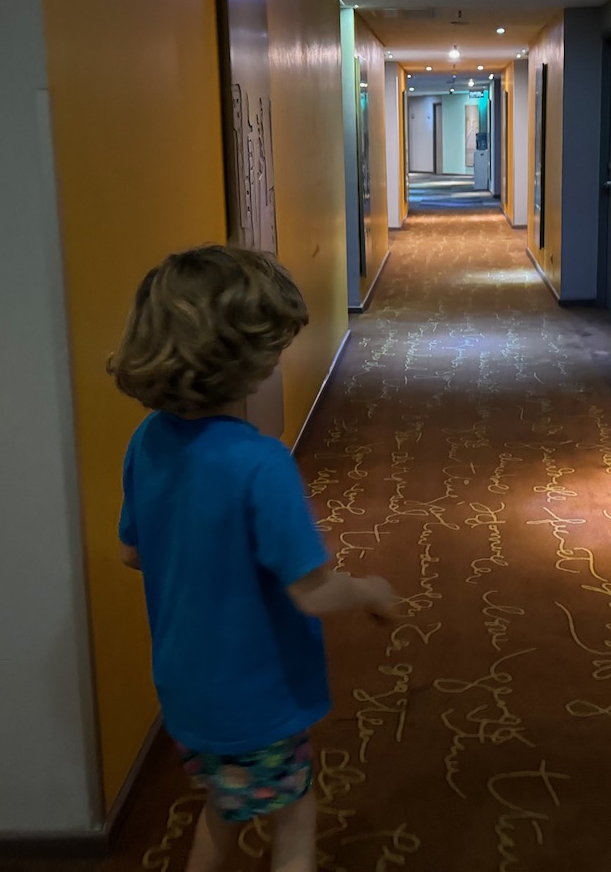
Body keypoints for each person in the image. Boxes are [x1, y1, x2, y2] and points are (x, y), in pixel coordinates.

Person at [110, 245, 396, 872]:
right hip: (255, 693)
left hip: (186, 687)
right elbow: (312, 592)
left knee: (223, 804)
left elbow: (133, 552)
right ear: (242, 362)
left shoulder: (148, 441)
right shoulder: (259, 463)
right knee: (294, 817)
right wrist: (370, 590)